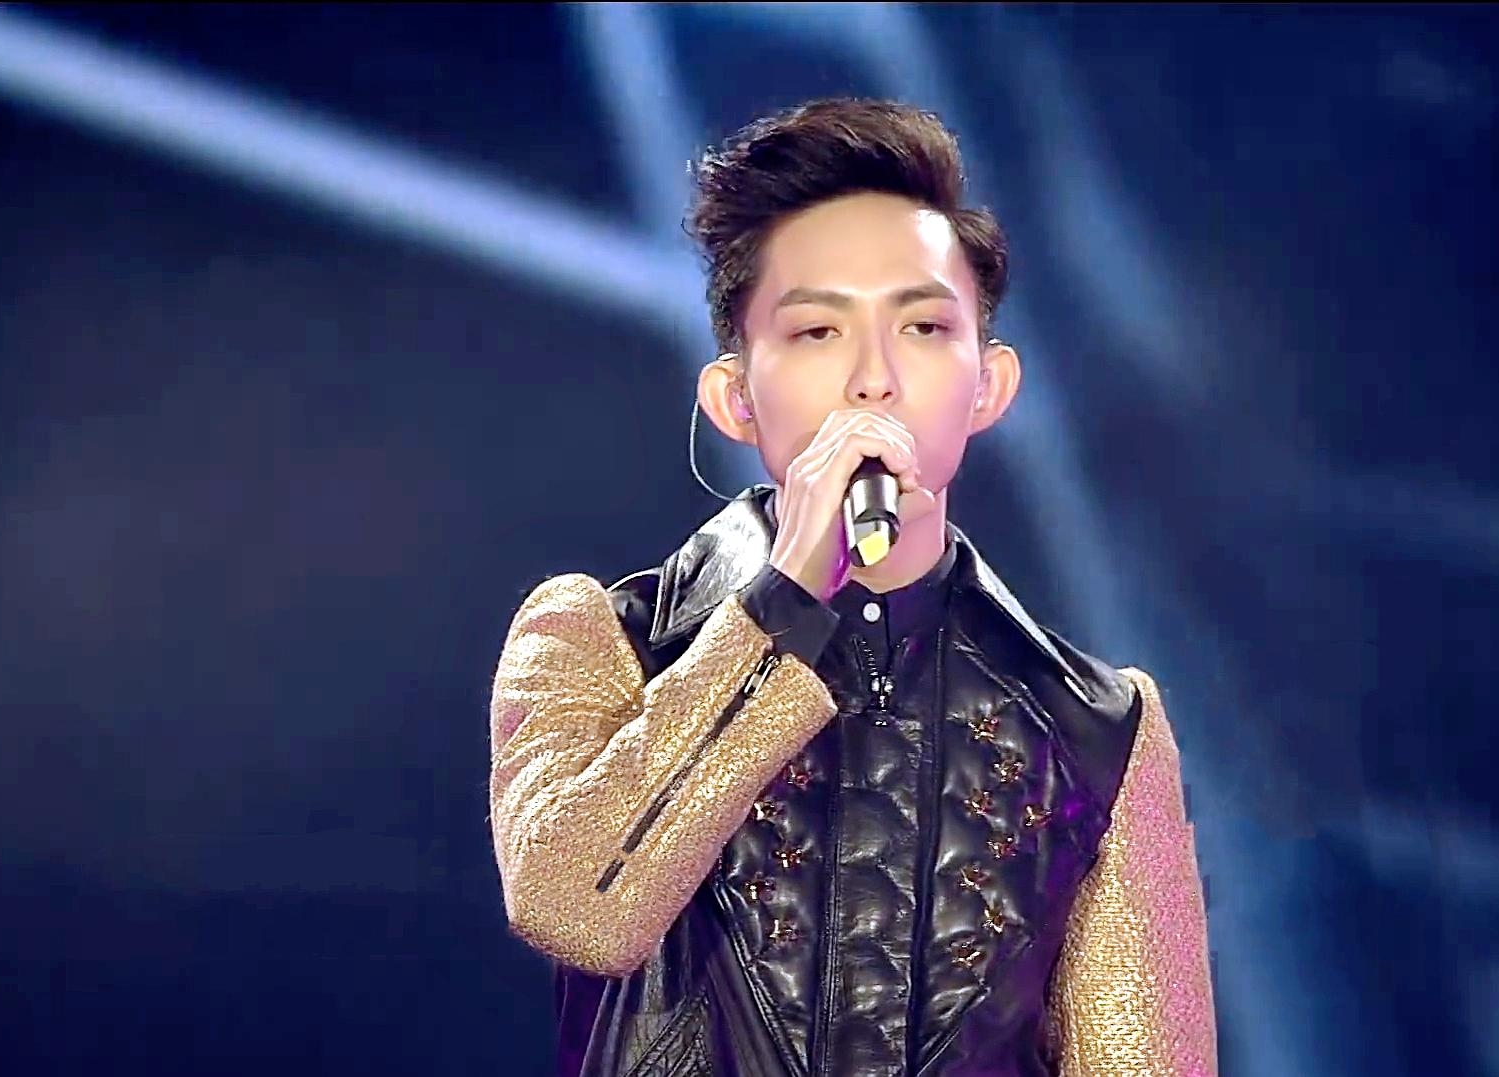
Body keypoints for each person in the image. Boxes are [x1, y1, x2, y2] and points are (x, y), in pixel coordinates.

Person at [487, 98, 1217, 1077]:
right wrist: (785, 599)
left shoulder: (1098, 727)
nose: (874, 378)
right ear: (735, 399)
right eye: (819, 331)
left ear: (989, 386)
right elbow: (577, 906)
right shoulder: (600, 638)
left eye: (922, 326)